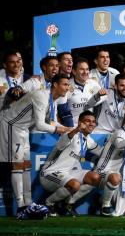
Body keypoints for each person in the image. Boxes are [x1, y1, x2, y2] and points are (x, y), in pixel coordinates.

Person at [0, 74, 72, 215]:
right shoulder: (41, 96)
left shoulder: (53, 100)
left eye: (68, 85)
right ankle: (21, 207)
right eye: (64, 84)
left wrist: (67, 128)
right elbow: (40, 124)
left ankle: (28, 203)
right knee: (17, 166)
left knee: (26, 165)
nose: (67, 87)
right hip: (11, 126)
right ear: (55, 85)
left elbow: (51, 121)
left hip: (23, 129)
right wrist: (59, 129)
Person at [40, 110, 101, 216]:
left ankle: (68, 203)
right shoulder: (69, 133)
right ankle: (49, 203)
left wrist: (117, 146)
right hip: (49, 173)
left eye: (93, 121)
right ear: (80, 122)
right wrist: (77, 130)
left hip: (68, 174)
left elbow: (101, 153)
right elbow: (62, 144)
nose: (91, 123)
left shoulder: (88, 140)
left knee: (95, 177)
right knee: (75, 184)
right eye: (87, 121)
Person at [63, 57, 101, 124]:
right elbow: (61, 109)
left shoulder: (94, 84)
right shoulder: (66, 85)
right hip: (73, 127)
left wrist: (95, 121)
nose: (85, 72)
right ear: (74, 71)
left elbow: (101, 102)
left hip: (90, 127)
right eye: (81, 69)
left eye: (87, 69)